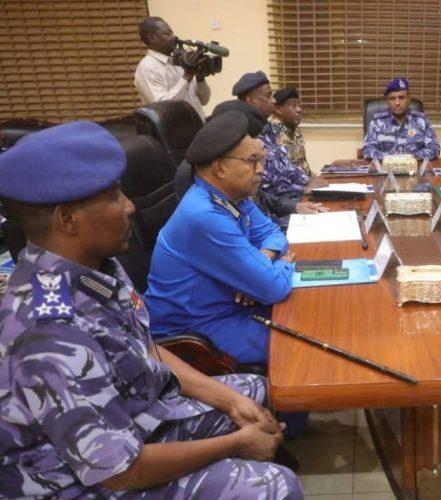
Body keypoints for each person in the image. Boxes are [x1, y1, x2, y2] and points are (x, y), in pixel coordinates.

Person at [0, 121, 302, 499]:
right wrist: (237, 443)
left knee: (255, 393)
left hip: (137, 415)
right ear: (67, 218)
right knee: (275, 486)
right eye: (113, 197)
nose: (130, 206)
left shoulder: (95, 268)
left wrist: (232, 402)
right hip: (74, 481)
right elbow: (120, 470)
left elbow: (145, 348)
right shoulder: (50, 330)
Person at [145, 111, 293, 366]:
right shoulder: (205, 215)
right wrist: (283, 262)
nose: (260, 170)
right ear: (220, 168)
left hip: (230, 309)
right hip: (196, 330)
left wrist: (263, 259)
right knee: (299, 344)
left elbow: (272, 233)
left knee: (308, 315)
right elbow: (273, 287)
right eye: (252, 161)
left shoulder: (234, 197)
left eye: (260, 160)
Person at [173, 99, 327, 218]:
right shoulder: (199, 173)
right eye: (251, 139)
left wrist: (294, 207)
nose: (258, 144)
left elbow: (257, 201)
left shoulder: (236, 172)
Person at [230, 72, 310, 200]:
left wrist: (307, 181)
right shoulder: (247, 133)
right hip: (274, 204)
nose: (273, 100)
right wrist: (302, 189)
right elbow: (265, 182)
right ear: (251, 101)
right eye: (268, 96)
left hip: (289, 199)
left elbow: (286, 166)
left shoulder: (267, 126)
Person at [134, 17, 211, 119]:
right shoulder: (147, 68)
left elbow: (204, 100)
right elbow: (163, 108)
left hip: (199, 124)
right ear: (152, 38)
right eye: (167, 34)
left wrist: (200, 77)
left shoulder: (178, 61)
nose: (174, 37)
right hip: (177, 128)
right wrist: (187, 75)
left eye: (172, 33)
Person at [363, 77, 441, 162]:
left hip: (414, 168)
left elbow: (434, 148)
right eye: (392, 99)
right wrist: (390, 158)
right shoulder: (377, 122)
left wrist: (412, 157)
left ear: (408, 99)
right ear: (388, 101)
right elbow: (367, 150)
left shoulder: (421, 121)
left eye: (401, 98)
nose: (397, 103)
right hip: (385, 168)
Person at [269, 87, 312, 176]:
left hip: (304, 182)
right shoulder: (271, 133)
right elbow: (280, 175)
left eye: (299, 105)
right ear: (278, 109)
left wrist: (315, 178)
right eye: (293, 105)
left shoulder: (294, 129)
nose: (299, 110)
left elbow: (303, 166)